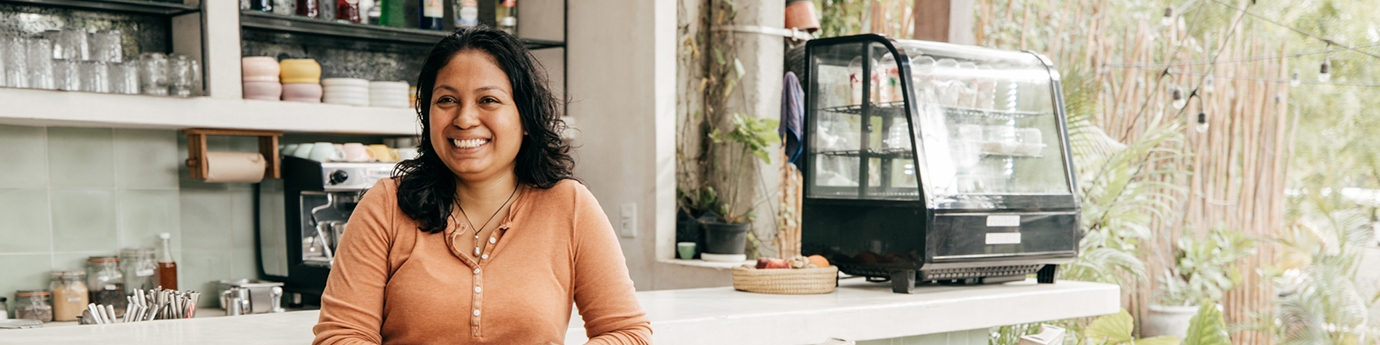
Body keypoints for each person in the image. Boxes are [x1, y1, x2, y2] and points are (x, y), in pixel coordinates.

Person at [313, 26, 651, 345]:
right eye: (446, 100)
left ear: (526, 117)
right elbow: (341, 334)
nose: (464, 118)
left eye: (488, 100)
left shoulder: (569, 206)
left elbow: (627, 331)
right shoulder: (387, 205)